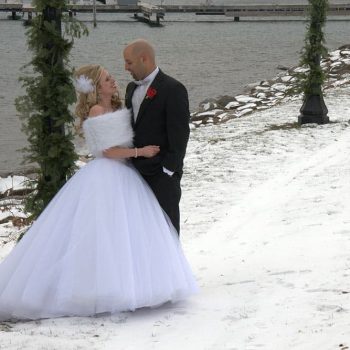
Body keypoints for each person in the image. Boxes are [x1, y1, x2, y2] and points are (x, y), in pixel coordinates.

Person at [0, 64, 198, 321]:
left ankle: (131, 284)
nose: (113, 80)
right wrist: (141, 152)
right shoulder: (96, 110)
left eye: (111, 77)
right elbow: (107, 151)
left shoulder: (118, 105)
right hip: (107, 173)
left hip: (126, 174)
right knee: (102, 233)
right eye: (107, 79)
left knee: (125, 233)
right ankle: (96, 289)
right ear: (96, 87)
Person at [121, 39, 190, 234]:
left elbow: (180, 134)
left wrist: (168, 171)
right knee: (141, 232)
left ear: (144, 59)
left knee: (166, 232)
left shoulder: (173, 89)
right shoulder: (131, 88)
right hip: (135, 174)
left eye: (129, 62)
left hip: (161, 177)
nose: (126, 67)